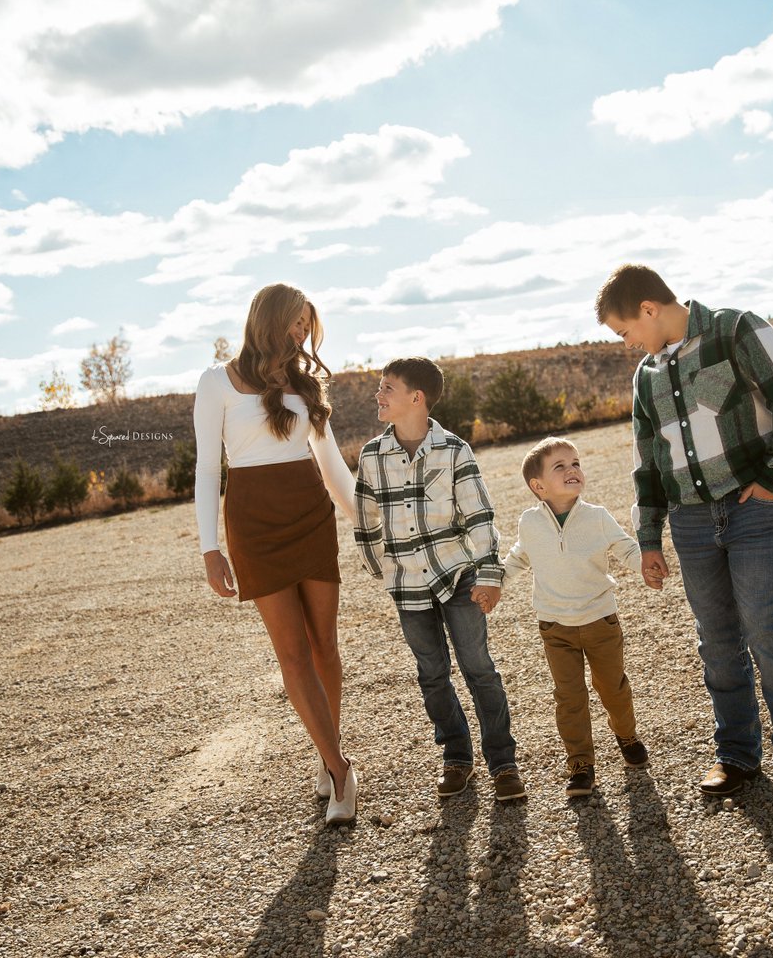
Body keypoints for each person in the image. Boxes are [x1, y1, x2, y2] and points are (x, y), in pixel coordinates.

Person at [595, 263, 773, 804]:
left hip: (755, 510)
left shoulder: (737, 329)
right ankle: (737, 757)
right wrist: (648, 537)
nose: (628, 344)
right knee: (717, 641)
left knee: (767, 629)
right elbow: (647, 461)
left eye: (626, 331)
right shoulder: (647, 376)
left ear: (649, 309)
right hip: (692, 521)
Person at [193, 283, 359, 825]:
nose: (299, 336)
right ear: (266, 320)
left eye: (305, 327)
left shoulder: (307, 384)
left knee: (324, 644)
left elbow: (331, 463)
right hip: (253, 520)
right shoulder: (216, 382)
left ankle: (325, 750)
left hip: (310, 512)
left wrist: (366, 520)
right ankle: (338, 768)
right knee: (291, 652)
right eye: (292, 325)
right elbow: (206, 469)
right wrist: (210, 548)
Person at [353, 357, 525, 802]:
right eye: (380, 387)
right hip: (407, 586)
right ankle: (456, 758)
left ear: (417, 397)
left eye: (387, 387)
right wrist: (383, 569)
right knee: (432, 674)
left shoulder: (454, 450)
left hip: (458, 577)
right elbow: (365, 519)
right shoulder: (373, 455)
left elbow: (479, 516)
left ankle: (503, 764)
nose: (379, 394)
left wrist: (489, 574)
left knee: (479, 669)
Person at [503, 436, 650, 798]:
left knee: (612, 687)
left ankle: (626, 734)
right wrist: (494, 582)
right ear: (538, 486)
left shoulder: (597, 517)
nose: (573, 470)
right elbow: (519, 556)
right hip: (555, 626)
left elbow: (625, 545)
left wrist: (646, 564)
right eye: (561, 466)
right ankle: (581, 764)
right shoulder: (530, 522)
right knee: (569, 696)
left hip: (600, 620)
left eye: (576, 463)